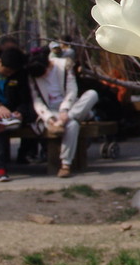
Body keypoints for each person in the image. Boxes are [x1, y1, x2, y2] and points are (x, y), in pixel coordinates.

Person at [26, 48, 99, 178]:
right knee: (73, 125)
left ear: (48, 65)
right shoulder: (33, 75)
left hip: (70, 108)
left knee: (92, 94)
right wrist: (49, 118)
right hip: (51, 112)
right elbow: (36, 100)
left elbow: (72, 90)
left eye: (44, 73)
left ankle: (67, 119)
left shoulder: (63, 65)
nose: (43, 77)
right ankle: (66, 164)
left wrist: (65, 111)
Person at [0, 47, 31, 182]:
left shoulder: (20, 75)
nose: (8, 74)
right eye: (6, 71)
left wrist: (20, 112)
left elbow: (25, 99)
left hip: (10, 115)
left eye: (12, 72)